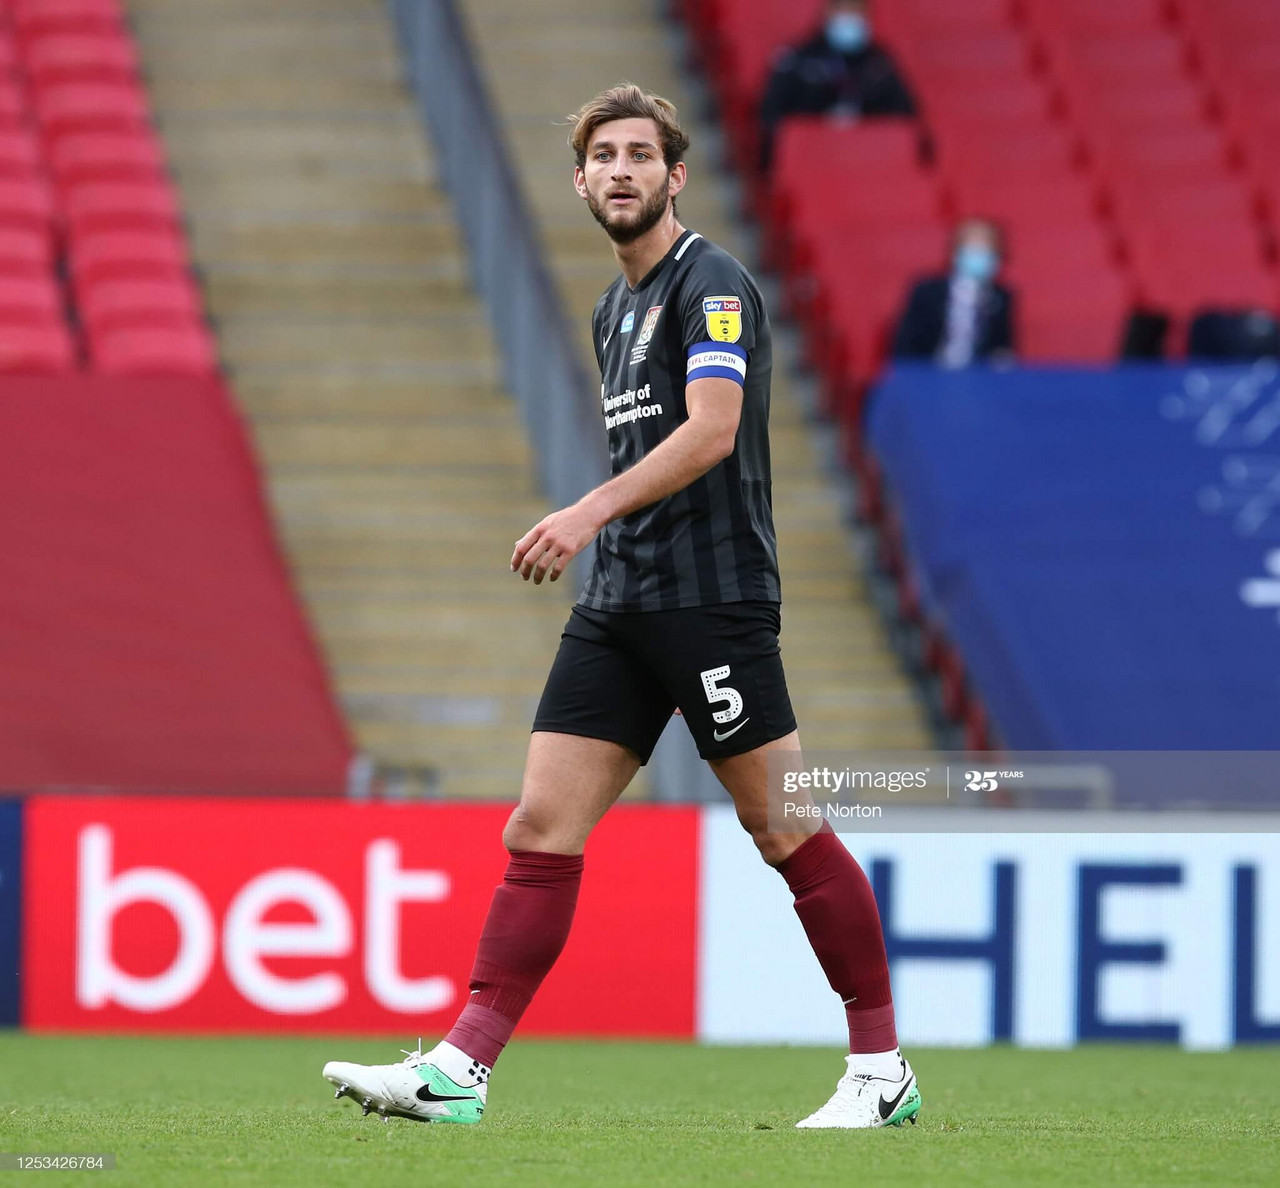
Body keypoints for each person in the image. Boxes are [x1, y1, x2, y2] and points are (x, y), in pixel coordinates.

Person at [322, 84, 920, 1132]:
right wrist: (608, 538)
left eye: (640, 154)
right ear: (580, 180)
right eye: (603, 156)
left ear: (673, 176)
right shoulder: (612, 307)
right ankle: (460, 1071)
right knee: (539, 825)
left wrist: (585, 511)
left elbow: (711, 430)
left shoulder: (712, 284)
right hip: (620, 606)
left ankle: (881, 1070)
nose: (621, 171)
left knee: (781, 826)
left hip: (711, 604)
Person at [759, 0, 916, 169]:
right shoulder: (797, 60)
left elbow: (905, 118)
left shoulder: (881, 64)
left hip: (870, 162)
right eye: (843, 8)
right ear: (827, 11)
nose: (849, 17)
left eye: (855, 10)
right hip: (811, 161)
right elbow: (771, 117)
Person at [892, 218, 1016, 367]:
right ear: (954, 251)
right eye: (972, 247)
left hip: (978, 378)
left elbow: (1004, 348)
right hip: (929, 374)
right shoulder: (927, 291)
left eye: (986, 248)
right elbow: (906, 344)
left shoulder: (1001, 296)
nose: (979, 254)